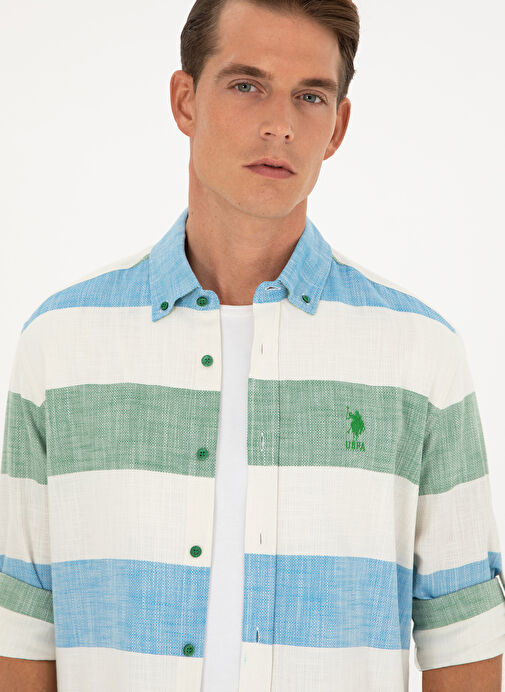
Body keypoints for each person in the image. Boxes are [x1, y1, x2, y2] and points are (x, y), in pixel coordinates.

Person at [1, 0, 504, 690]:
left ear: (337, 127)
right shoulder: (61, 346)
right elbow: (22, 630)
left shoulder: (420, 354)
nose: (279, 124)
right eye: (246, 85)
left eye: (310, 96)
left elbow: (462, 640)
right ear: (185, 100)